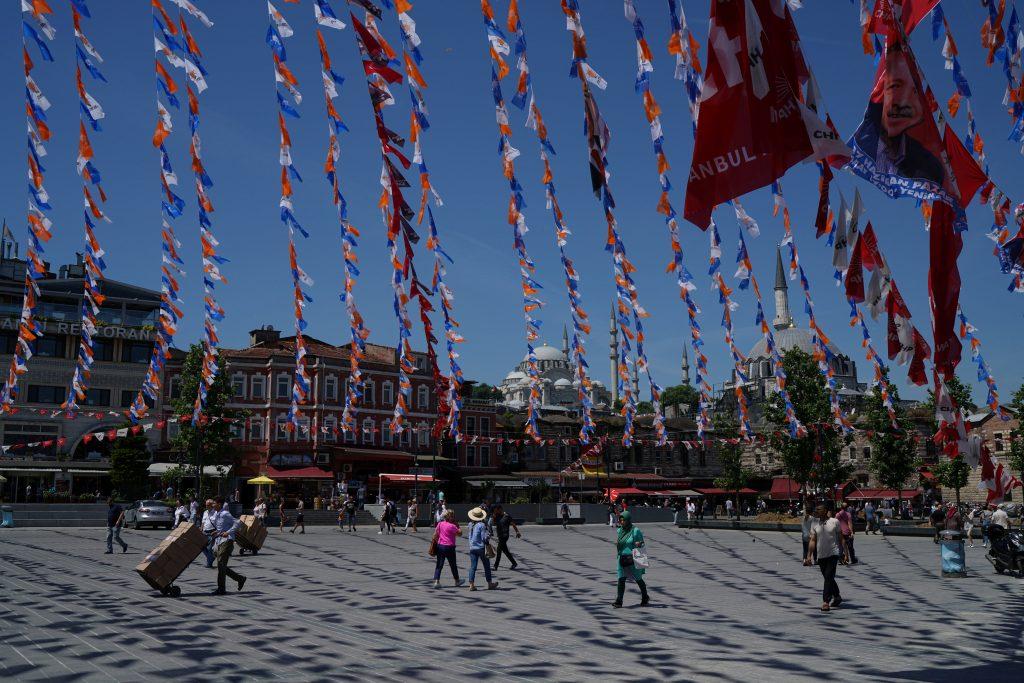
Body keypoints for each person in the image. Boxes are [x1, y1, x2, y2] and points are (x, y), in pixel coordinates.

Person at [804, 504, 848, 612]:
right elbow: (813, 540)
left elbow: (841, 537)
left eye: (819, 509)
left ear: (825, 511)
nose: (817, 511)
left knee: (828, 577)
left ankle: (825, 601)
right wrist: (809, 556)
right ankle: (837, 596)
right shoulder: (814, 523)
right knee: (828, 578)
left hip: (833, 553)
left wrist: (845, 553)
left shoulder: (834, 522)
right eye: (816, 509)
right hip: (821, 555)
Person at [210, 495, 247, 595]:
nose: (212, 505)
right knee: (221, 566)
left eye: (214, 503)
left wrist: (229, 532)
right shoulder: (217, 514)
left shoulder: (225, 513)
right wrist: (216, 532)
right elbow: (221, 527)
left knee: (221, 564)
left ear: (219, 504)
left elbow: (237, 523)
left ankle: (221, 589)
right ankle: (240, 579)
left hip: (227, 541)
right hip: (219, 541)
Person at [613, 511, 649, 608]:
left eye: (623, 520)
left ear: (628, 520)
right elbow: (621, 541)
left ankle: (645, 596)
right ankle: (619, 601)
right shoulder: (620, 530)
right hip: (621, 558)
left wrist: (639, 544)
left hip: (632, 558)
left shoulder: (635, 530)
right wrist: (618, 544)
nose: (621, 522)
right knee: (621, 579)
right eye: (620, 520)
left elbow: (642, 544)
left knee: (638, 579)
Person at [466, 507, 498, 591]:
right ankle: (490, 584)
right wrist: (488, 536)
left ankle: (471, 585)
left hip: (472, 548)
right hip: (481, 548)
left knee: (473, 566)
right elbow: (483, 538)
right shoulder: (482, 525)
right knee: (486, 566)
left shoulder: (470, 524)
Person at [432, 509, 463, 588]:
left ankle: (436, 581)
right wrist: (457, 525)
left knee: (439, 564)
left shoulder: (440, 524)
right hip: (450, 547)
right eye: (453, 516)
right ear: (451, 517)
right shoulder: (452, 526)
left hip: (440, 546)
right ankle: (457, 581)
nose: (454, 517)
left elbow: (435, 534)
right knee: (453, 565)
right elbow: (460, 534)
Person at [490, 505, 521, 571]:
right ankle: (514, 563)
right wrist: (494, 516)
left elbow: (513, 524)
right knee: (505, 551)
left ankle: (495, 566)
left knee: (499, 550)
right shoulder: (497, 516)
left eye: (497, 510)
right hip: (500, 536)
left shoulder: (507, 516)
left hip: (505, 535)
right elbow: (493, 523)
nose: (496, 512)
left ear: (500, 509)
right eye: (495, 511)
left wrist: (517, 532)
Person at [199, 498, 217, 568]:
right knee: (202, 546)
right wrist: (201, 529)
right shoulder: (205, 512)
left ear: (212, 505)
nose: (206, 506)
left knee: (209, 548)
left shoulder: (215, 512)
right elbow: (203, 522)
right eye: (206, 505)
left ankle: (209, 563)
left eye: (208, 505)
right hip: (205, 532)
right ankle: (211, 558)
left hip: (212, 532)